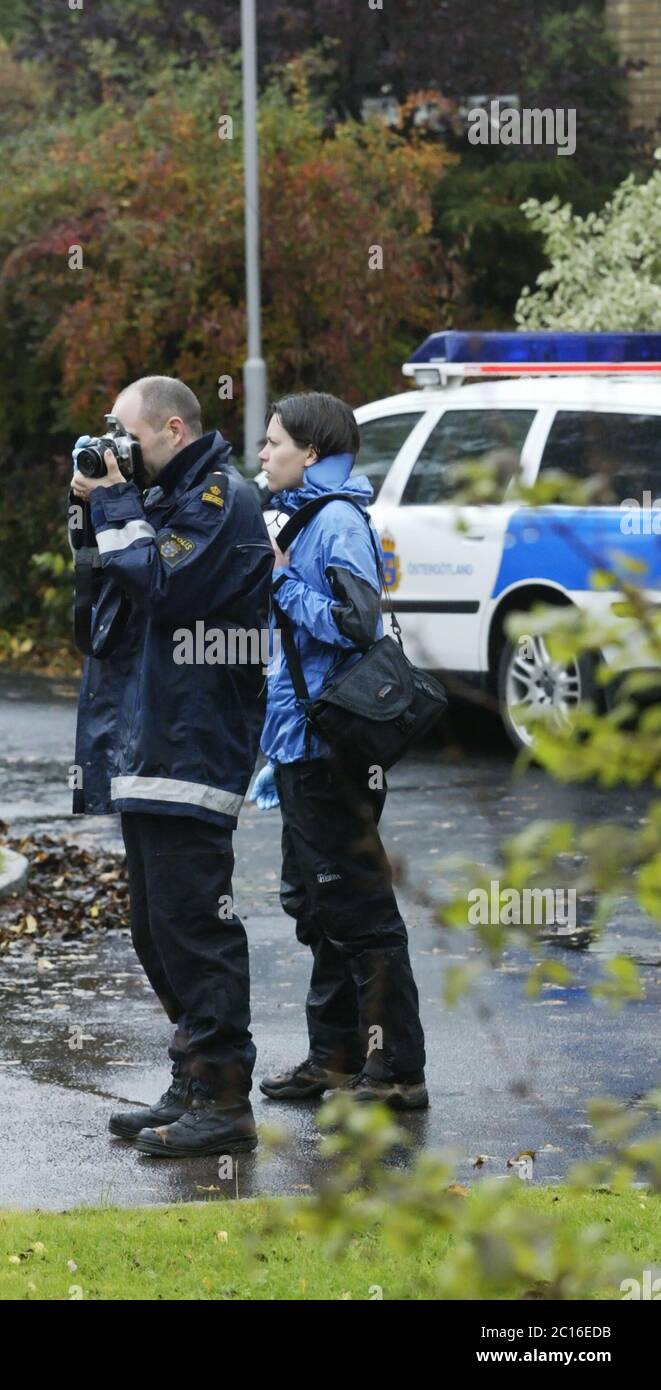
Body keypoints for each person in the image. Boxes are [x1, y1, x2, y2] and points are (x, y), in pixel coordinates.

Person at [69, 376, 274, 1156]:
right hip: (146, 744)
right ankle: (194, 1080)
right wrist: (90, 521)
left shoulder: (223, 500)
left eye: (126, 436)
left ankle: (225, 1103)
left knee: (196, 929)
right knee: (156, 932)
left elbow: (164, 584)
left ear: (172, 427)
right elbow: (98, 624)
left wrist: (118, 507)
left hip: (192, 741)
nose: (115, 451)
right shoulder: (153, 503)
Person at [249, 391, 428, 1110]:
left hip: (334, 749)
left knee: (358, 911)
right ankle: (334, 1057)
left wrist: (279, 580)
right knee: (315, 902)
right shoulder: (305, 517)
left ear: (310, 453)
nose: (261, 454)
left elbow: (357, 624)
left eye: (272, 443)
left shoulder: (336, 523)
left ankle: (396, 1072)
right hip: (301, 743)